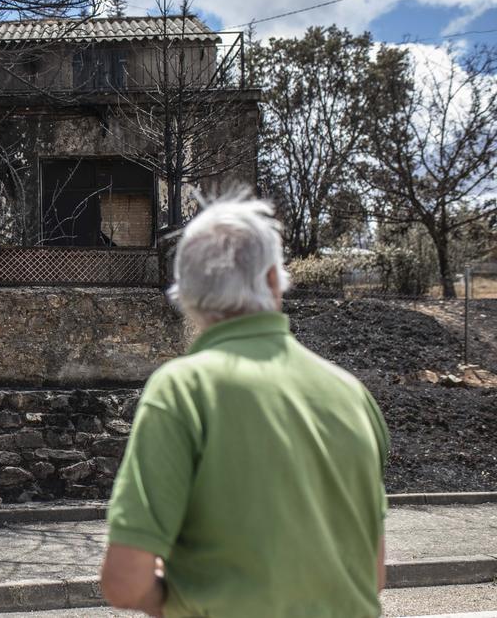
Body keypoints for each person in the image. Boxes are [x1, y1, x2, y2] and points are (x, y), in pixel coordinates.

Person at [100, 193, 390, 617]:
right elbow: (373, 573)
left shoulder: (182, 390)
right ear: (274, 279)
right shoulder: (352, 395)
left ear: (187, 295)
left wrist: (181, 604)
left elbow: (125, 582)